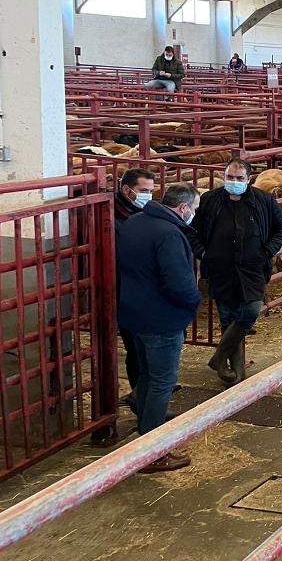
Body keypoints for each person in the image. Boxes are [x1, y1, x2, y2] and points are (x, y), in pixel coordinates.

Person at [116, 183, 202, 472]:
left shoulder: (134, 222)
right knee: (161, 380)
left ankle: (145, 428)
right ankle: (151, 451)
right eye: (195, 209)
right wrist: (194, 302)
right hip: (161, 319)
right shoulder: (169, 234)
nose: (194, 214)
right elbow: (178, 282)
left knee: (146, 376)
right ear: (183, 208)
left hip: (134, 313)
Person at [190, 159, 282, 386]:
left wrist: (269, 250)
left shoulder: (263, 200)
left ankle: (219, 357)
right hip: (220, 268)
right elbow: (192, 230)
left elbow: (280, 226)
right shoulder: (210, 200)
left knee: (251, 310)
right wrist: (203, 253)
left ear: (249, 179)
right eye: (230, 178)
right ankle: (235, 374)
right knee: (227, 316)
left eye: (239, 178)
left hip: (252, 267)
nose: (234, 182)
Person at [93, 168, 158, 446]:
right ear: (127, 189)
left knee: (141, 352)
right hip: (123, 293)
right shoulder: (111, 216)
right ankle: (141, 403)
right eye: (144, 190)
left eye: (151, 190)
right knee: (135, 350)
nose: (148, 195)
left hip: (137, 292)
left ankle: (143, 402)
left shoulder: (140, 212)